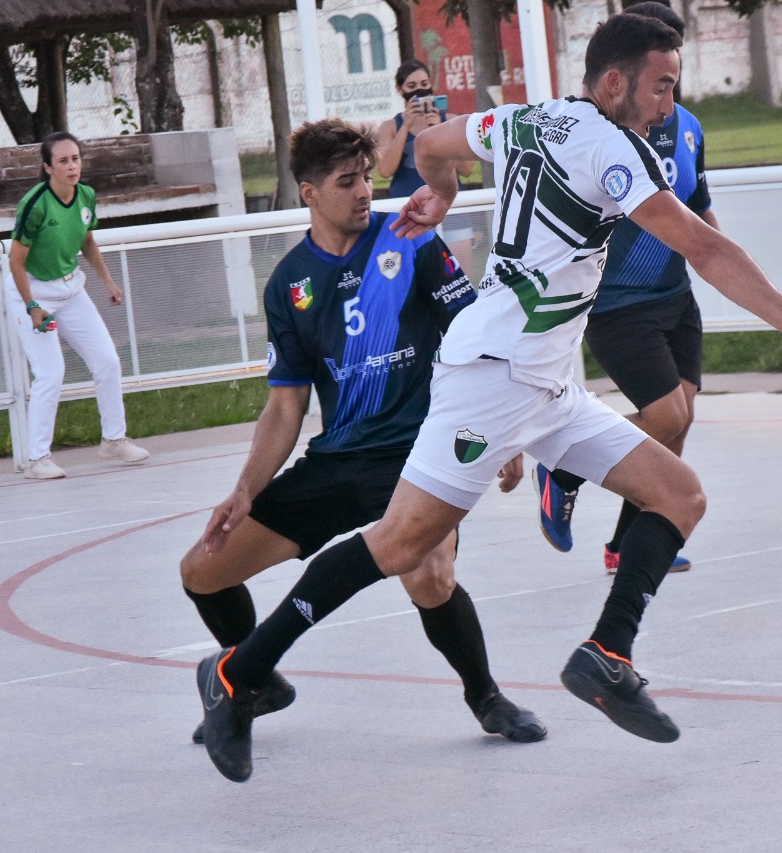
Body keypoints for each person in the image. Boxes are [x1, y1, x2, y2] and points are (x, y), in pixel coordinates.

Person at [195, 12, 782, 782]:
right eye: (662, 86)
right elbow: (702, 245)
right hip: (496, 374)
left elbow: (433, 144)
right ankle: (240, 673)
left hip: (547, 381)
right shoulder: (613, 146)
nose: (669, 104)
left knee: (680, 494)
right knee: (401, 545)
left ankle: (607, 653)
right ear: (615, 82)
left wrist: (438, 193)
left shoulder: (530, 118)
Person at [181, 118, 545, 761]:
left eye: (367, 179)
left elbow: (474, 338)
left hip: (419, 455)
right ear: (309, 193)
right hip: (338, 460)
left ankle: (486, 696)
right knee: (202, 571)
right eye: (347, 182)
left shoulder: (410, 239)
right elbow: (286, 404)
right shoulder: (289, 283)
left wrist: (503, 433)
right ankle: (255, 680)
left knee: (429, 573)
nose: (363, 192)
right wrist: (244, 490)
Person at [533, 0, 709, 575]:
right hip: (618, 303)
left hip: (675, 295)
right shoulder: (605, 135)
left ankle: (626, 545)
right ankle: (564, 466)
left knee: (678, 422)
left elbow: (699, 207)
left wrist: (718, 262)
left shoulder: (687, 127)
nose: (668, 91)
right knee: (665, 417)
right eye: (660, 76)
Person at [7, 131, 149, 479]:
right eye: (63, 161)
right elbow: (15, 262)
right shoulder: (35, 204)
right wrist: (32, 306)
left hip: (71, 289)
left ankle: (113, 440)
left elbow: (87, 240)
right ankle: (37, 460)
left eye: (75, 159)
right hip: (33, 291)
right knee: (51, 372)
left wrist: (108, 281)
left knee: (107, 361)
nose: (72, 166)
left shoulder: (86, 195)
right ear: (47, 167)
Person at [375, 59, 473, 198]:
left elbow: (466, 170)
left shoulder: (451, 121)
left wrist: (440, 130)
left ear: (431, 84)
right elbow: (385, 171)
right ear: (399, 89)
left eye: (424, 84)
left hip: (446, 199)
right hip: (406, 199)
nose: (419, 90)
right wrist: (405, 127)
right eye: (411, 86)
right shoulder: (390, 126)